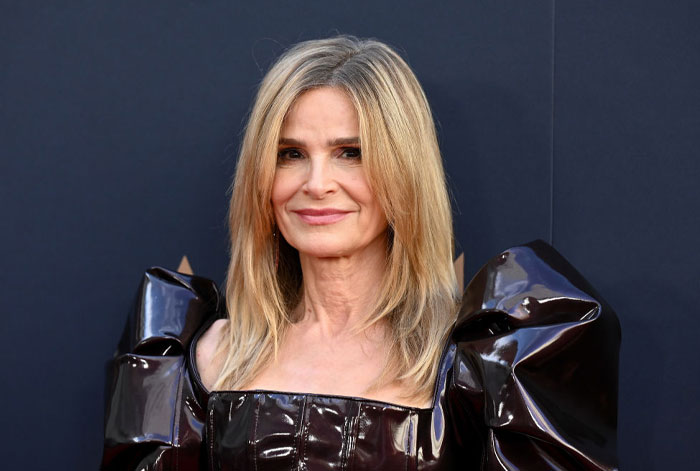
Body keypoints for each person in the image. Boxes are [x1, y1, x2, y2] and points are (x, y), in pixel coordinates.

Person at [101, 36, 620, 470]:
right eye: (291, 155)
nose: (317, 183)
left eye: (351, 153)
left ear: (404, 173)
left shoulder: (485, 361)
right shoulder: (191, 356)